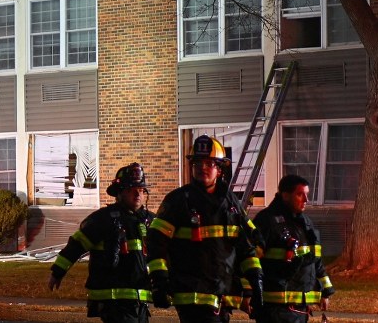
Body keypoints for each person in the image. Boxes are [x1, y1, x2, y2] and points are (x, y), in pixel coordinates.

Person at [147, 136, 262, 323]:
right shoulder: (177, 200)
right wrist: (159, 280)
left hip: (223, 295)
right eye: (197, 163)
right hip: (192, 295)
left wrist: (254, 283)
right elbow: (156, 242)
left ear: (219, 168)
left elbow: (244, 246)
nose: (202, 168)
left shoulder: (231, 202)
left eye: (209, 163)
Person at [49, 163, 155, 323]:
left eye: (140, 190)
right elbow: (77, 245)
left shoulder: (150, 221)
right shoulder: (103, 219)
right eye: (131, 190)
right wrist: (57, 272)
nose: (137, 195)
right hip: (114, 301)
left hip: (141, 300)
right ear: (119, 193)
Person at [249, 174, 335, 323]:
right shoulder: (267, 221)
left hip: (300, 308)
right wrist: (248, 293)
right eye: (300, 194)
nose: (306, 200)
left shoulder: (305, 223)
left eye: (306, 194)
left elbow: (315, 260)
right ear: (285, 195)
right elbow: (250, 259)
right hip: (275, 309)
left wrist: (325, 291)